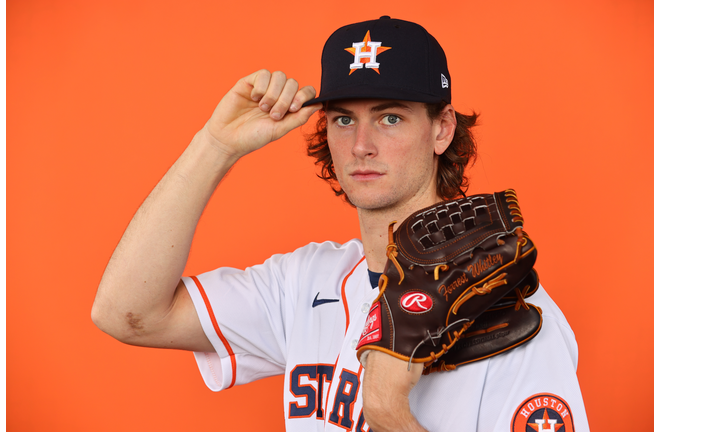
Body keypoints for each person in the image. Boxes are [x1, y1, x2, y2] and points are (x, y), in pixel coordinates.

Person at [92, 16, 590, 432]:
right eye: (343, 119)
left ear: (441, 129)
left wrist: (389, 413)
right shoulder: (303, 283)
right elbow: (126, 313)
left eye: (390, 117)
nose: (361, 145)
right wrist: (216, 147)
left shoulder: (515, 314)